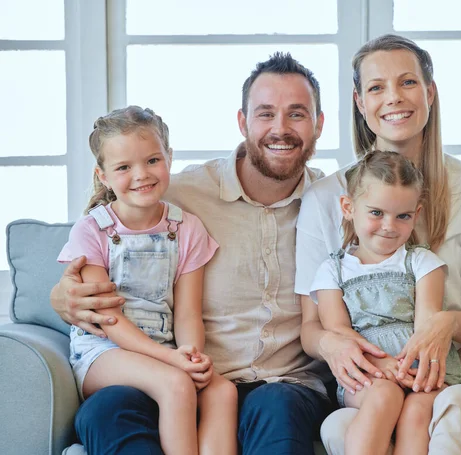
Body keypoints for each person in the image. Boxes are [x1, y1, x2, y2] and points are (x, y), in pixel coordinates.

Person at [50, 53, 332, 455]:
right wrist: (60, 296)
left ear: (319, 124)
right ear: (243, 122)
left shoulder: (337, 205)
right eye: (265, 113)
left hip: (280, 384)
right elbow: (94, 252)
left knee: (279, 407)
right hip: (158, 365)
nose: (280, 129)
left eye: (297, 114)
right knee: (107, 411)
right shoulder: (170, 194)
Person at [295, 34, 461, 455]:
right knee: (340, 428)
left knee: (450, 408)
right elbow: (312, 327)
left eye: (407, 82)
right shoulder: (323, 199)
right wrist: (334, 344)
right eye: (376, 87)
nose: (393, 98)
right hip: (375, 374)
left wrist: (445, 324)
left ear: (429, 92)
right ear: (359, 102)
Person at [57, 105, 236, 455]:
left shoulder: (187, 228)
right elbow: (109, 320)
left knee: (222, 391)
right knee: (175, 384)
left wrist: (191, 354)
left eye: (152, 160)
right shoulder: (93, 230)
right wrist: (171, 362)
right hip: (104, 352)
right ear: (103, 175)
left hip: (164, 351)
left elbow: (187, 313)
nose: (141, 174)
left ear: (169, 157)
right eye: (124, 167)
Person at [310, 150, 461, 455]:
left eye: (402, 216)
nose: (389, 226)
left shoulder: (422, 263)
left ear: (416, 215)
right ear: (348, 207)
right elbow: (338, 330)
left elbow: (427, 329)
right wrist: (383, 366)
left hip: (422, 369)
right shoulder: (332, 270)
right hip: (367, 372)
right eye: (376, 213)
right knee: (384, 395)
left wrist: (407, 370)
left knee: (418, 411)